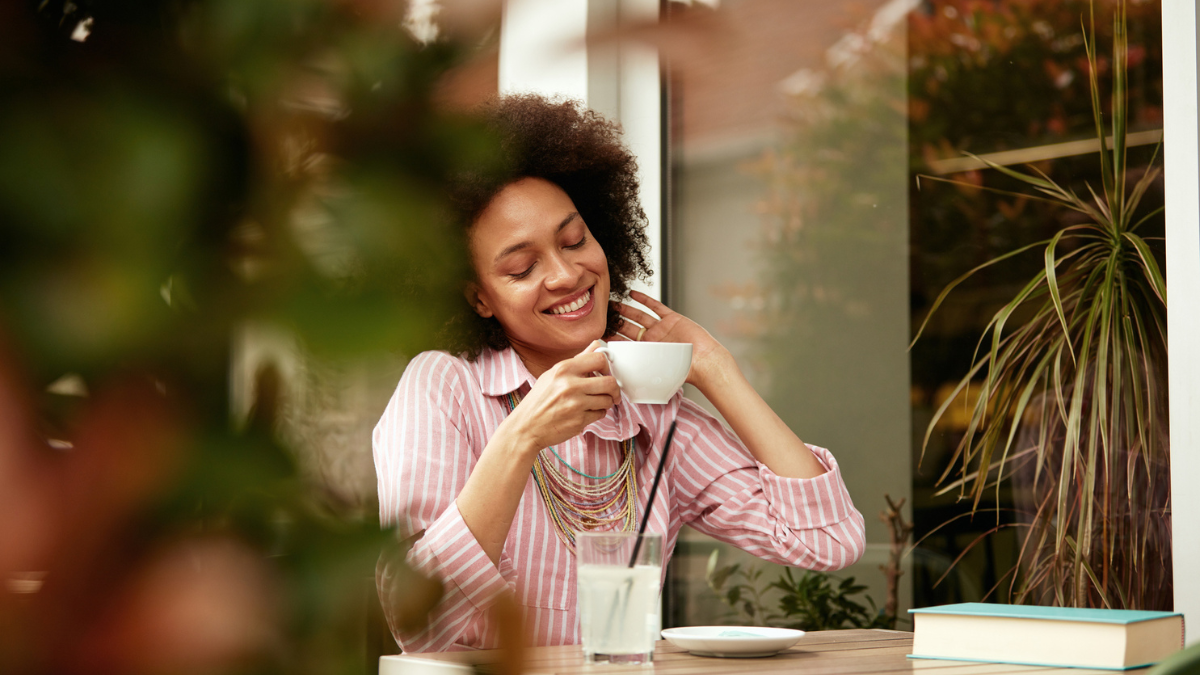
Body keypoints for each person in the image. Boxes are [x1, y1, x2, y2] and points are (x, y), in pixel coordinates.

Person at [374, 95, 865, 652]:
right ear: (480, 299)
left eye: (574, 239)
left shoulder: (647, 410)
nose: (565, 274)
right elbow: (417, 625)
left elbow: (828, 541)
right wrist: (521, 438)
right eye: (521, 267)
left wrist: (714, 369)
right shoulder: (443, 389)